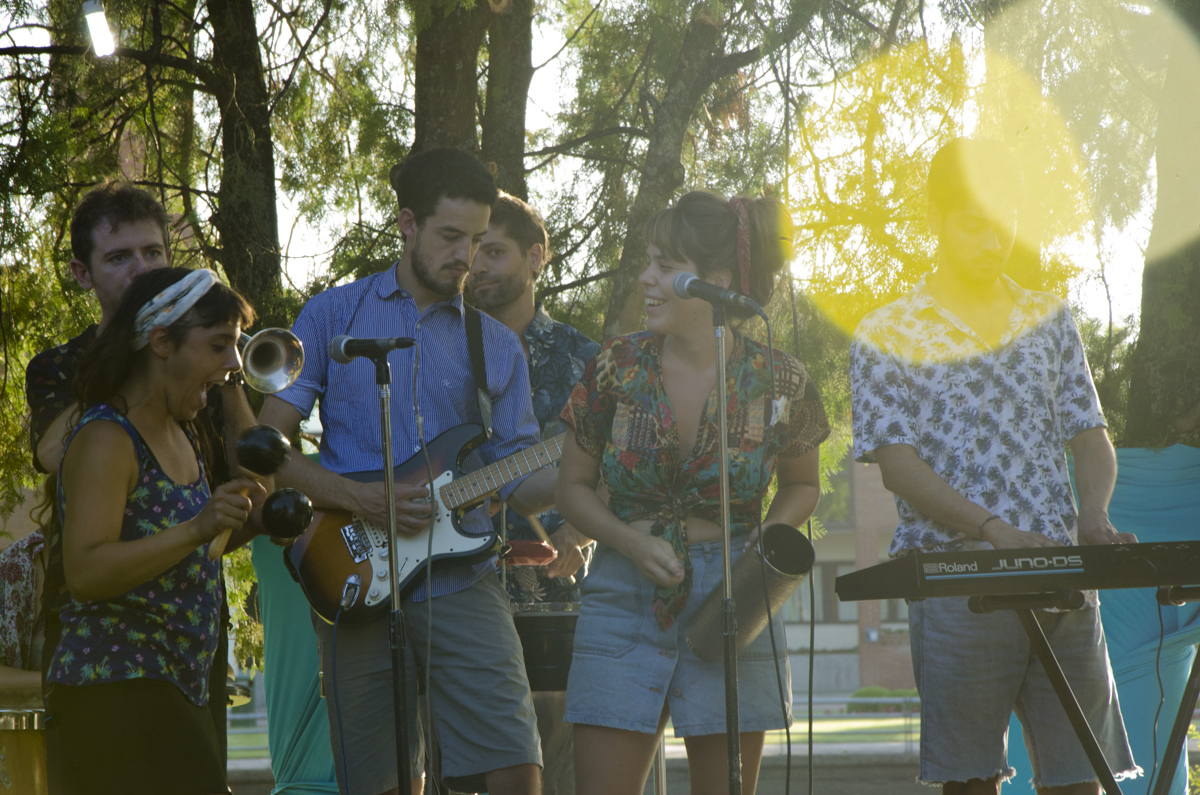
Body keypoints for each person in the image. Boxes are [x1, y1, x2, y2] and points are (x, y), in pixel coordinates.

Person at [849, 137, 1139, 795]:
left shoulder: (1049, 318)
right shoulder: (888, 330)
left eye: (1003, 222)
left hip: (1062, 577)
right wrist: (991, 529)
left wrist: (1093, 514)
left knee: (1081, 780)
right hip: (958, 585)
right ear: (937, 219)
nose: (992, 239)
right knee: (971, 782)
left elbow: (1090, 436)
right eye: (973, 223)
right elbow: (896, 465)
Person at [259, 148, 553, 795]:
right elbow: (267, 447)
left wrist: (581, 468)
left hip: (464, 577)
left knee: (515, 768)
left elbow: (520, 479)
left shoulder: (496, 344)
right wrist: (358, 497)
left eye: (477, 240)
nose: (466, 257)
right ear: (408, 224)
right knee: (380, 783)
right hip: (353, 575)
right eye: (451, 236)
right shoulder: (331, 315)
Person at [556, 190, 829, 795]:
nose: (646, 278)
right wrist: (629, 542)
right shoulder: (615, 365)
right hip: (623, 589)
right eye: (648, 261)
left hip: (735, 594)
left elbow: (803, 485)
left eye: (665, 265)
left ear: (717, 282)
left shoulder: (780, 378)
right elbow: (571, 489)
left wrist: (772, 530)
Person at [23, 182, 257, 771]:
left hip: (185, 670)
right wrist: (127, 352)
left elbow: (230, 511)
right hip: (117, 677)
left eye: (154, 254)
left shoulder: (185, 412)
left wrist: (227, 379)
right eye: (120, 257)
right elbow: (57, 461)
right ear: (84, 273)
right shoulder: (97, 414)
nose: (142, 269)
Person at [466, 191, 600, 795]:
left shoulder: (587, 360)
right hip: (460, 593)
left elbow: (622, 468)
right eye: (474, 251)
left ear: (536, 257)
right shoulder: (442, 352)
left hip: (559, 603)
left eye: (494, 251)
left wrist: (582, 524)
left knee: (564, 771)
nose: (478, 266)